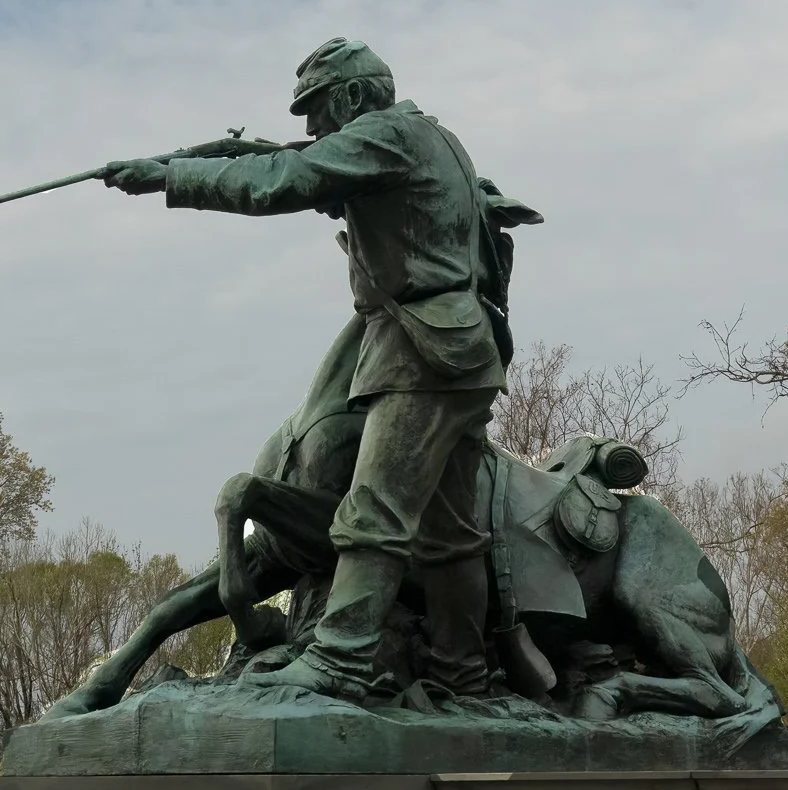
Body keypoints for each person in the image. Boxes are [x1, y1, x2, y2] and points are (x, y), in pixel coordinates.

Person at [102, 37, 506, 699]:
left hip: (418, 350)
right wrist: (250, 156)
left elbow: (284, 183)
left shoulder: (385, 134)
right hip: (459, 349)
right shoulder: (430, 138)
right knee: (451, 540)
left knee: (372, 514)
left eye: (316, 111)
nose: (313, 129)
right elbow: (315, 173)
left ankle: (340, 660)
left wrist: (169, 175)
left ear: (352, 96)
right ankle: (463, 673)